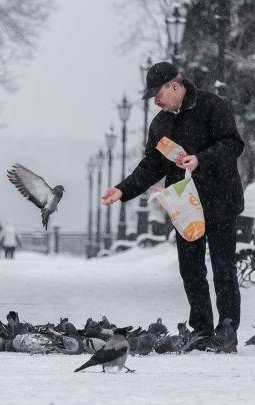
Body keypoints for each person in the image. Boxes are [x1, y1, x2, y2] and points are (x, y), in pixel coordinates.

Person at [102, 62, 244, 347]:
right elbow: (151, 166)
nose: (156, 101)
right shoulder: (161, 123)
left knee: (223, 267)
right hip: (184, 204)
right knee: (190, 269)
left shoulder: (212, 106)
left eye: (159, 94)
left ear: (175, 86)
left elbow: (233, 144)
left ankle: (227, 328)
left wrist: (201, 159)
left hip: (220, 199)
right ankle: (202, 327)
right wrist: (122, 189)